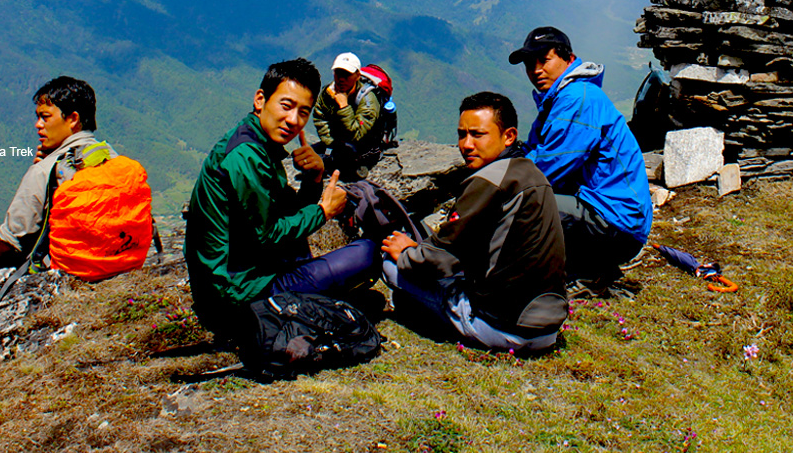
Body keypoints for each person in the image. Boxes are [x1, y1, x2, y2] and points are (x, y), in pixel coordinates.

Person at [185, 58, 380, 340]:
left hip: (242, 281)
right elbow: (270, 235)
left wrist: (315, 178)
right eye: (286, 106)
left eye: (304, 112)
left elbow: (283, 216)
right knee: (367, 253)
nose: (293, 121)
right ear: (260, 99)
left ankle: (319, 301)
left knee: (355, 268)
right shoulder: (246, 158)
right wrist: (323, 211)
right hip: (237, 298)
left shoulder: (255, 143)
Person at [380, 92, 567, 352]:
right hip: (548, 326)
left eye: (477, 135)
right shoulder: (532, 173)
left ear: (508, 136)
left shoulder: (488, 181)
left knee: (391, 266)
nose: (466, 144)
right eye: (462, 134)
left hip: (503, 326)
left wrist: (406, 253)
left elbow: (442, 258)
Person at [508, 26, 652, 282]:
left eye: (544, 60)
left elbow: (548, 170)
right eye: (530, 64)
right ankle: (583, 268)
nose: (536, 70)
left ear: (568, 59)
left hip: (615, 223)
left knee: (518, 204)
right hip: (611, 217)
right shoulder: (559, 99)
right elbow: (536, 152)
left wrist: (501, 176)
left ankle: (571, 273)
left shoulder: (577, 99)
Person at [0, 75, 112, 282]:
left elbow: (10, 242)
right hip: (114, 259)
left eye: (45, 117)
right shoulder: (112, 157)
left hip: (62, 268)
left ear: (73, 119)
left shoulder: (44, 171)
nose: (38, 125)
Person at [313, 52, 384, 180]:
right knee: (305, 158)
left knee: (345, 159)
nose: (341, 78)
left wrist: (344, 106)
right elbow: (320, 118)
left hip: (365, 147)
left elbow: (356, 134)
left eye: (347, 75)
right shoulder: (328, 93)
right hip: (338, 142)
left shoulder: (368, 99)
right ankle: (336, 162)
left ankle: (356, 168)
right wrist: (331, 143)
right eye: (338, 73)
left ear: (357, 75)